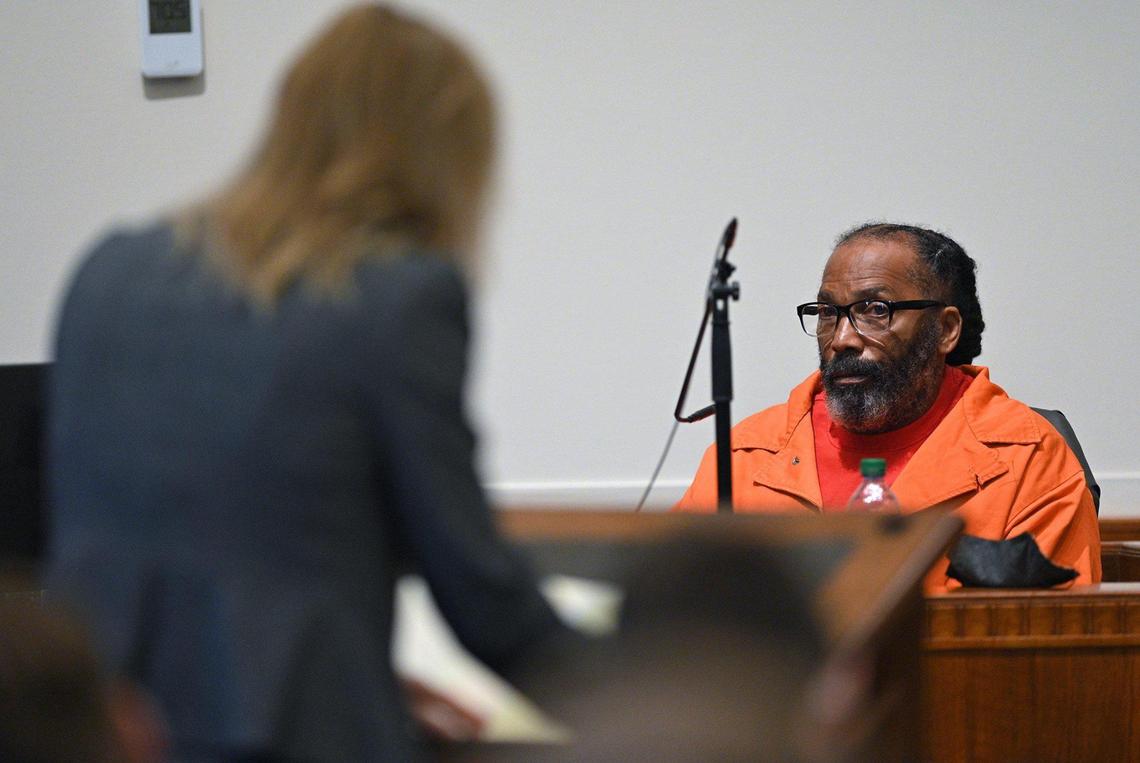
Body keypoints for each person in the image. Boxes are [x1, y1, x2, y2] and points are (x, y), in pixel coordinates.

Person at [45, 5, 570, 761]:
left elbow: (192, 553)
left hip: (96, 731)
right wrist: (667, 698)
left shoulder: (107, 272)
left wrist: (360, 679)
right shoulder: (399, 296)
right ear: (443, 161)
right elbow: (483, 597)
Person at [675, 223, 1101, 589]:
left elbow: (1053, 637)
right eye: (828, 312)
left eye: (875, 310)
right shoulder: (746, 456)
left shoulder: (1028, 459)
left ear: (946, 329)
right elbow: (670, 611)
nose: (842, 338)